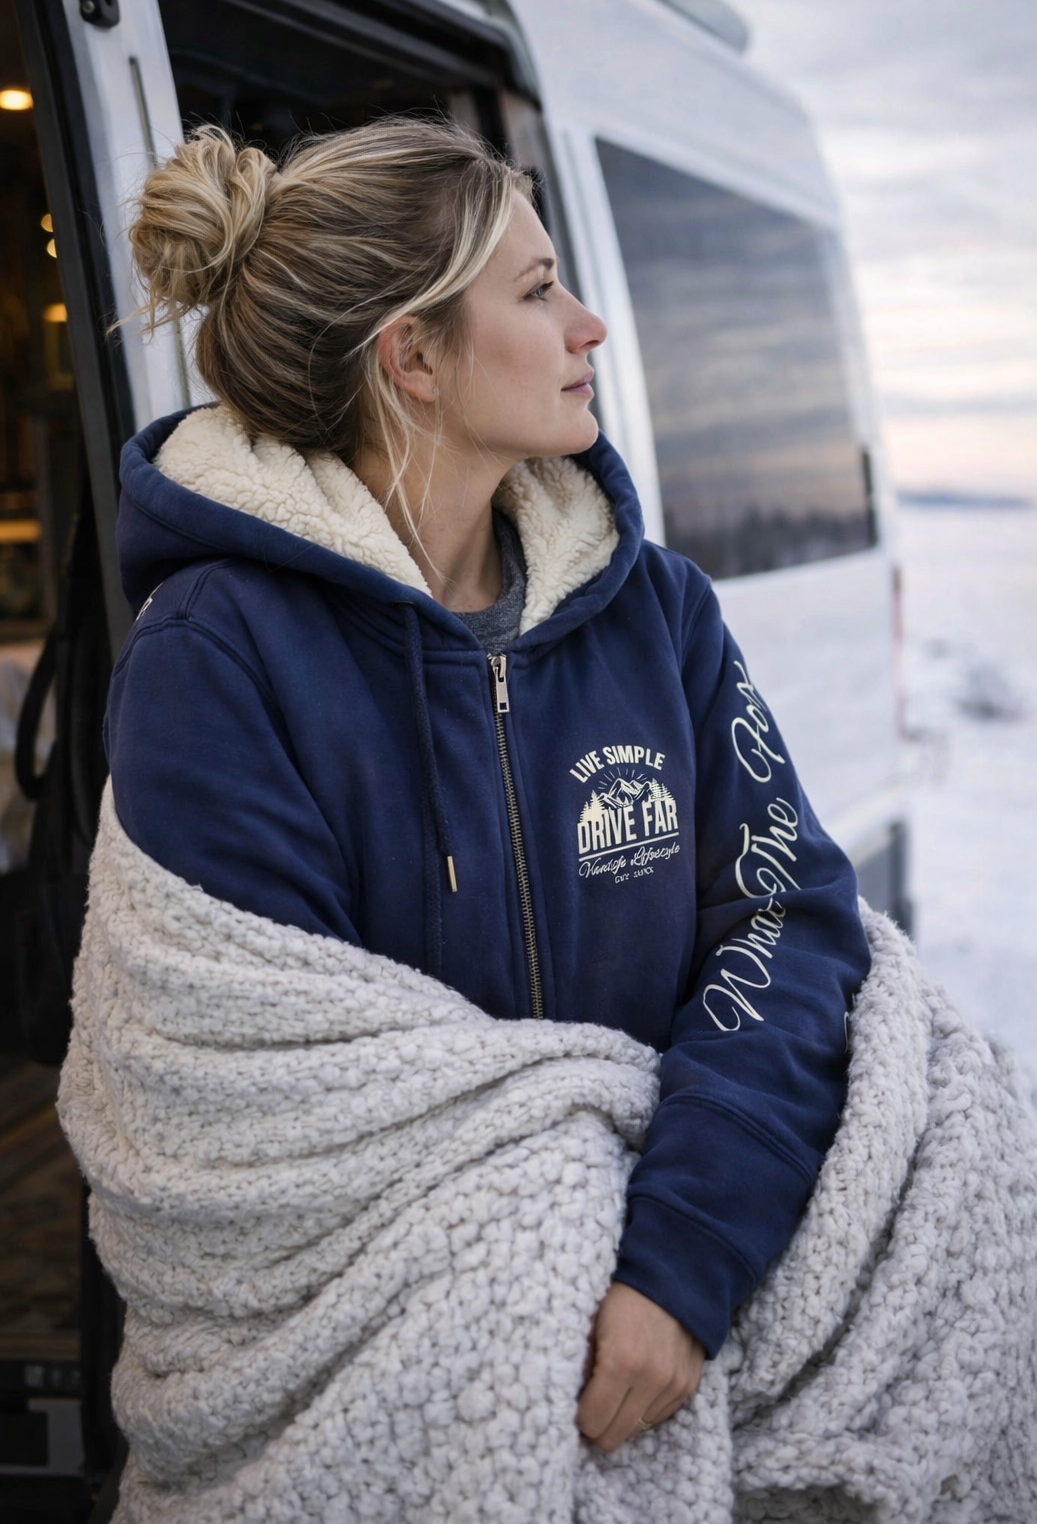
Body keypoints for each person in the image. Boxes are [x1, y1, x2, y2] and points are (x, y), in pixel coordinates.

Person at [106, 116, 871, 1453]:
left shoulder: (659, 615)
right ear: (411, 358)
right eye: (536, 291)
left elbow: (784, 920)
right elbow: (282, 1105)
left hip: (674, 1322)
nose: (591, 327)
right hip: (378, 1387)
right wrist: (558, 1270)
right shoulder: (221, 655)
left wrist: (682, 1254)